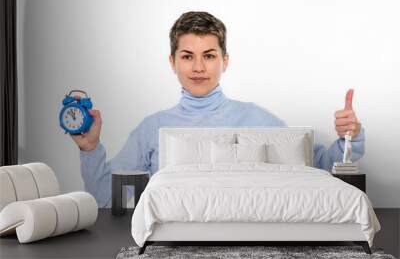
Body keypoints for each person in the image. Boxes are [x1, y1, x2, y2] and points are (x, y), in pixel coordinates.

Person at [71, 11, 364, 208]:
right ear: (172, 62)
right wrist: (90, 148)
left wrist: (350, 136)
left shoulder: (259, 119)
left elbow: (320, 170)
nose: (198, 67)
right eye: (188, 56)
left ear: (225, 61)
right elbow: (106, 200)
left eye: (208, 56)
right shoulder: (152, 128)